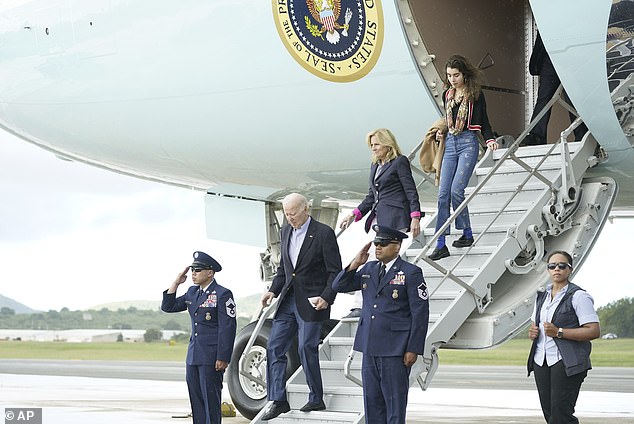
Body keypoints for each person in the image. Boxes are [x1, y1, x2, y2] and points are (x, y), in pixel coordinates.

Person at [332, 225, 429, 424]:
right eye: (376, 243)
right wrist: (354, 263)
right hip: (370, 347)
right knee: (372, 404)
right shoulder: (368, 269)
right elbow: (339, 286)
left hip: (394, 350)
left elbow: (420, 313)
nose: (378, 247)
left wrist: (413, 348)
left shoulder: (411, 273)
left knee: (394, 405)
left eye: (383, 243)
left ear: (397, 246)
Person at [259, 193, 342, 420]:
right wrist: (272, 290)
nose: (290, 218)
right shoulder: (285, 231)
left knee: (306, 347)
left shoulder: (324, 234)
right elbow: (284, 271)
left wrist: (327, 297)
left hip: (312, 302)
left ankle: (316, 397)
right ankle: (277, 399)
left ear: (306, 209)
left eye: (293, 213)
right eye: (286, 214)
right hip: (288, 300)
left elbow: (335, 271)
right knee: (274, 347)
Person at [429, 54, 499, 261]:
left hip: (468, 141)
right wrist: (441, 132)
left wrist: (489, 139)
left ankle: (466, 232)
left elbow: (484, 121)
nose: (452, 79)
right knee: (443, 194)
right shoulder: (447, 95)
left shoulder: (475, 94)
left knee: (456, 191)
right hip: (451, 142)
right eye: (449, 75)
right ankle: (441, 242)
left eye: (456, 75)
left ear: (465, 74)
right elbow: (448, 120)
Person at [161, 251, 237, 424]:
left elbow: (228, 327)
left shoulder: (222, 294)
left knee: (211, 401)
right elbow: (168, 306)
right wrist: (176, 282)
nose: (193, 273)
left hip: (211, 357)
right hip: (194, 355)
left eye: (198, 270)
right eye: (192, 270)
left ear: (209, 272)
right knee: (196, 402)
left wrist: (223, 356)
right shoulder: (192, 292)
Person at [527, 250, 600, 424]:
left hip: (566, 362)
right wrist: (532, 333)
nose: (556, 269)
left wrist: (559, 332)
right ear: (548, 270)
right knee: (550, 414)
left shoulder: (579, 296)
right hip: (541, 361)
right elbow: (534, 325)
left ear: (570, 269)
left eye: (562, 266)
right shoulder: (541, 297)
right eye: (552, 266)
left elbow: (594, 331)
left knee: (561, 415)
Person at [340, 128, 422, 239]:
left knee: (383, 253)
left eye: (377, 144)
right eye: (372, 145)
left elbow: (410, 191)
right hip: (378, 217)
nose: (373, 148)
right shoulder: (375, 165)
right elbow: (372, 196)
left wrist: (415, 217)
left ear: (388, 144)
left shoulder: (399, 161)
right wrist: (352, 214)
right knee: (373, 252)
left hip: (395, 217)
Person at [522, 32, 588, 146]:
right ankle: (536, 135)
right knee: (544, 98)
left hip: (570, 53)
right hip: (550, 55)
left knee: (572, 98)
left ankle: (582, 134)